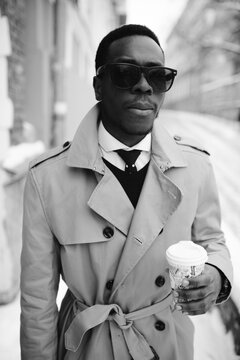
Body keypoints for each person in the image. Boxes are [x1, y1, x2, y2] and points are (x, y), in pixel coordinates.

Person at [20, 24, 233, 360]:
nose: (144, 86)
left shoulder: (195, 166)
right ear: (98, 86)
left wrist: (216, 275)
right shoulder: (47, 179)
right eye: (125, 73)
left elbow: (212, 241)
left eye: (158, 76)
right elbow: (37, 303)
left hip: (167, 345)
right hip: (88, 346)